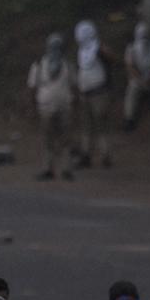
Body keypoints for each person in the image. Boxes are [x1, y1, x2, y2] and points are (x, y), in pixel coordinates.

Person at [27, 33, 77, 181]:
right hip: (62, 105)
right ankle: (64, 168)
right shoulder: (67, 65)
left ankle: (50, 168)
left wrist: (32, 105)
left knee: (50, 139)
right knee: (63, 139)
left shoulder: (39, 64)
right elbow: (74, 86)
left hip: (47, 105)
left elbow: (32, 87)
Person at [73, 19, 115, 169]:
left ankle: (105, 155)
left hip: (99, 92)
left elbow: (112, 58)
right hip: (86, 93)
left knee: (100, 125)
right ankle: (86, 155)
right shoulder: (81, 52)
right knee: (86, 126)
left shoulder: (99, 48)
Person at [122, 21, 150, 131]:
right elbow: (129, 67)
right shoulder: (131, 48)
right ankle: (129, 118)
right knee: (132, 89)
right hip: (139, 79)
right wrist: (141, 79)